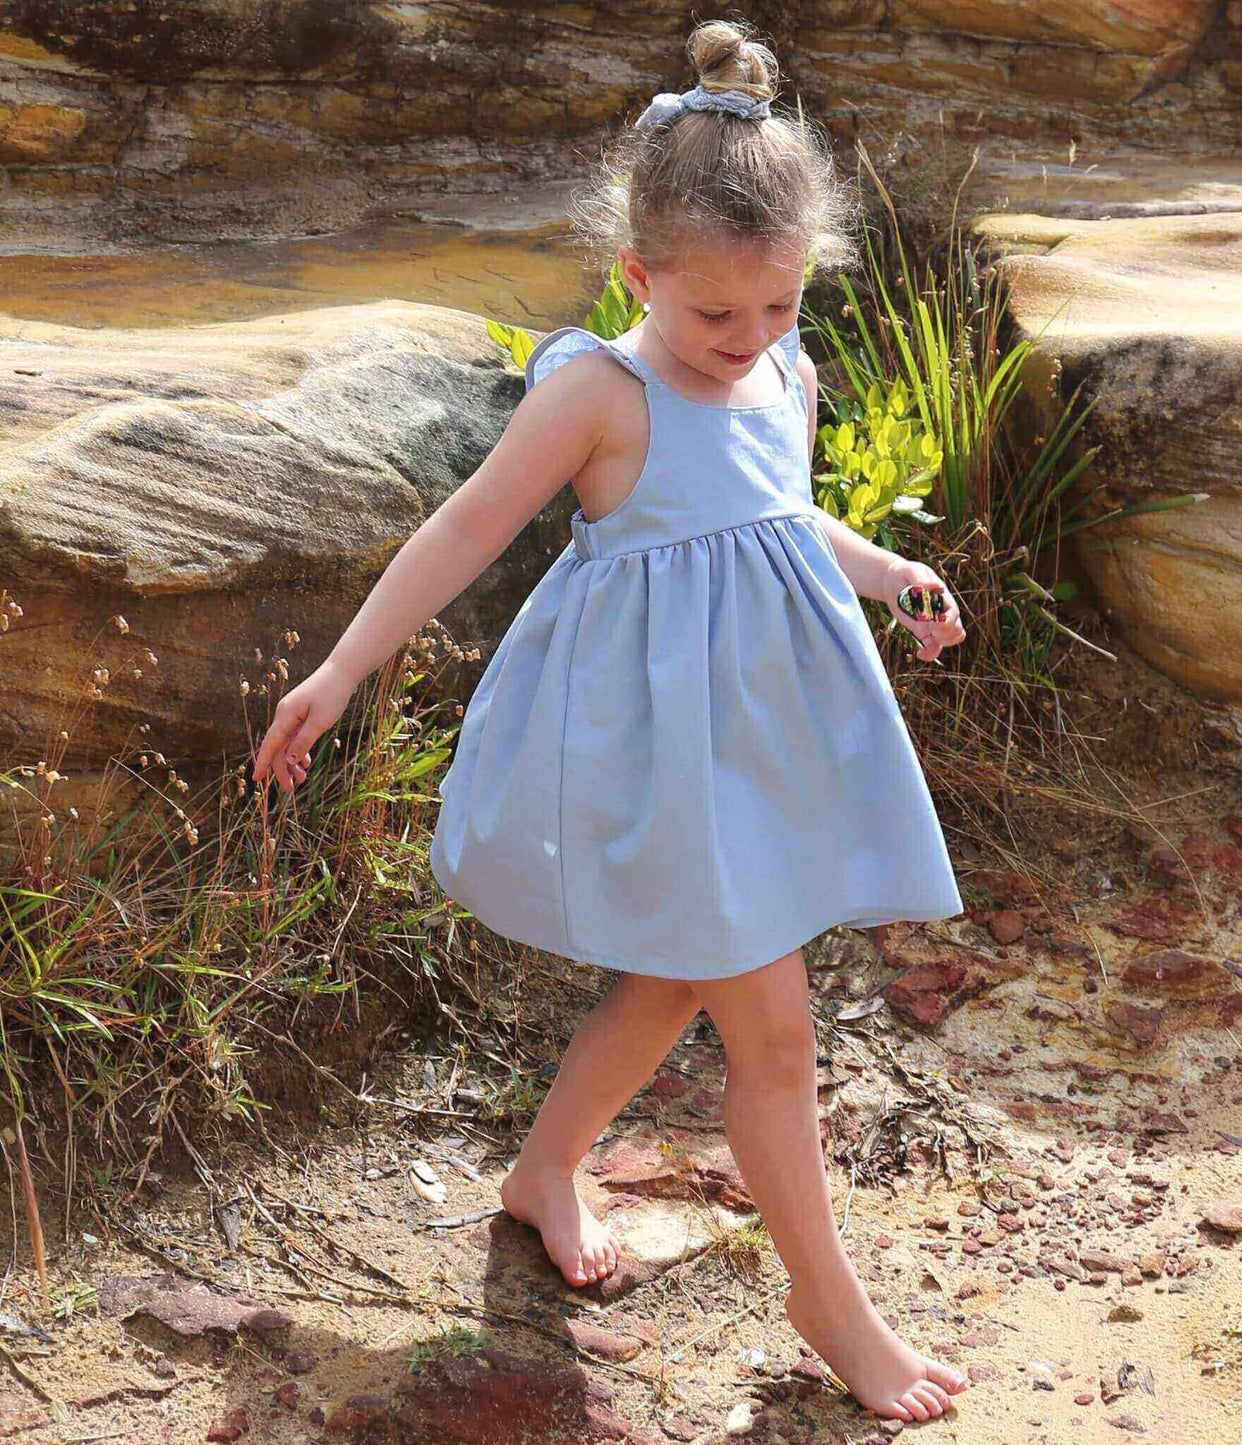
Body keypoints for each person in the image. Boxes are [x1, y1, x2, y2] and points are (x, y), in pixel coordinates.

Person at [253, 18, 969, 1424]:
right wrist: (338, 671)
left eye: (773, 310)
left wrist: (884, 573)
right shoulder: (599, 390)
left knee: (665, 983)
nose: (744, 341)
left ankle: (538, 1176)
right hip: (655, 755)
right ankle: (830, 1306)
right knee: (771, 1036)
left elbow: (772, 516)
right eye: (714, 316)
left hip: (753, 745)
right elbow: (462, 529)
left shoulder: (781, 371)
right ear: (638, 274)